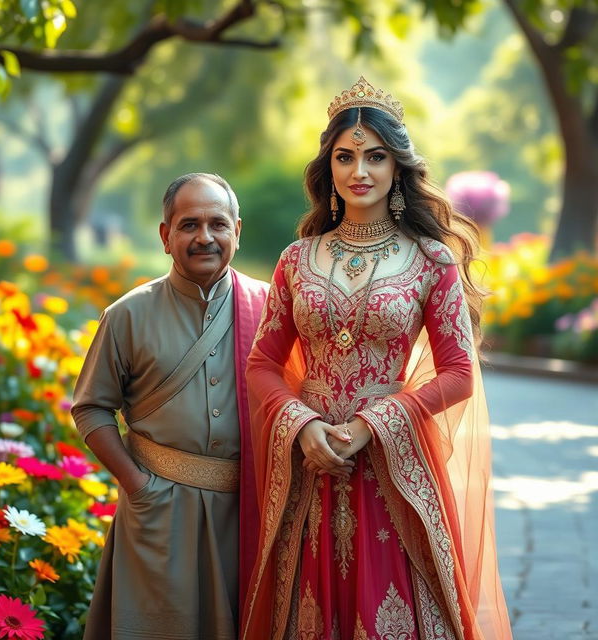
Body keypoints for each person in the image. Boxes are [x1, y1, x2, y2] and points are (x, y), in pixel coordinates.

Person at [241, 77, 513, 639]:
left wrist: (375, 423)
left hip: (393, 463)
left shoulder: (431, 260)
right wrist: (301, 426)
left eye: (375, 156)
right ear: (329, 170)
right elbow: (262, 364)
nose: (359, 170)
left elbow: (459, 374)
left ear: (396, 168)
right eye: (345, 157)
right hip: (311, 463)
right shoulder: (297, 259)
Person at [71, 173, 268, 640]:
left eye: (218, 224)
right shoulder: (128, 314)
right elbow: (91, 407)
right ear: (166, 235)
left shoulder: (272, 308)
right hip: (159, 510)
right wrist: (138, 486)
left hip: (250, 510)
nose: (205, 238)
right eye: (189, 225)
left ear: (237, 231)